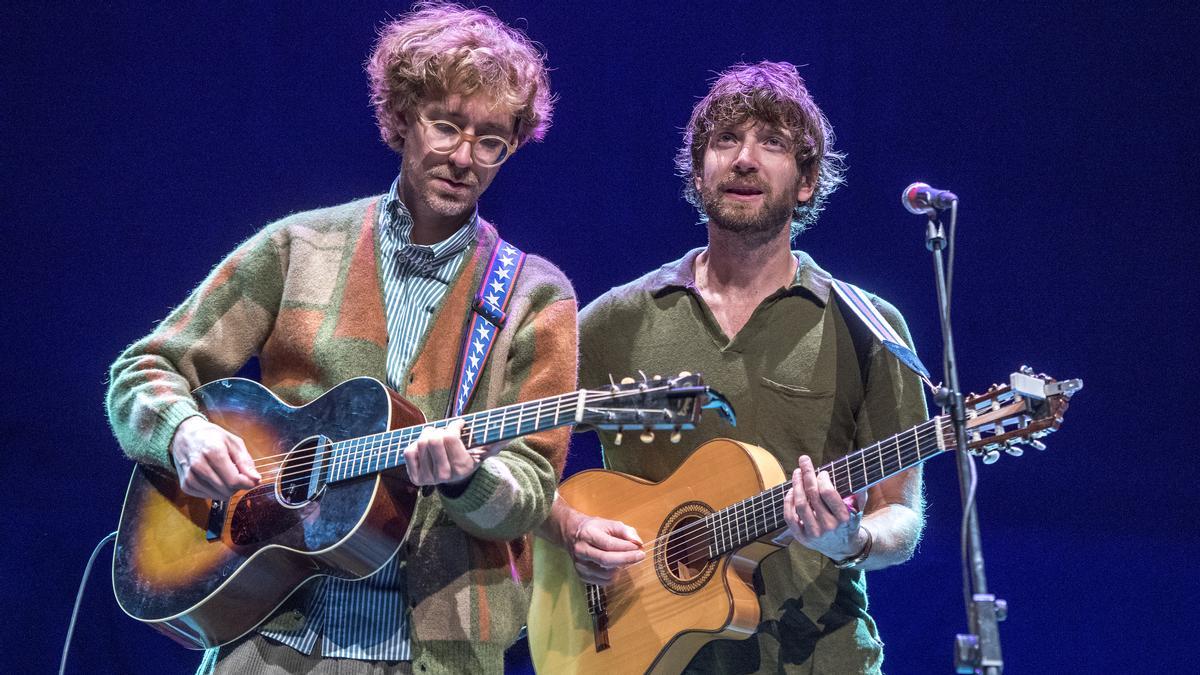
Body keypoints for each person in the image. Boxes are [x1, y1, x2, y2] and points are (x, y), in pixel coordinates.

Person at [106, 3, 576, 673]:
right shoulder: (299, 245)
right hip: (264, 638)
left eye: (492, 140)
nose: (465, 157)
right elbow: (143, 368)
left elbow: (529, 490)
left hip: (430, 654)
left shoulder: (535, 296)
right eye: (446, 125)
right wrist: (184, 432)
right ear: (404, 117)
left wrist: (469, 477)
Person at [539, 61, 927, 673]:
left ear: (806, 181)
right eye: (726, 141)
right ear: (699, 172)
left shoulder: (868, 326)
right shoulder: (618, 319)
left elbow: (900, 514)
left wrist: (851, 540)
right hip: (639, 650)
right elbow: (515, 457)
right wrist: (567, 527)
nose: (745, 160)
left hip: (818, 657)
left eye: (772, 144)